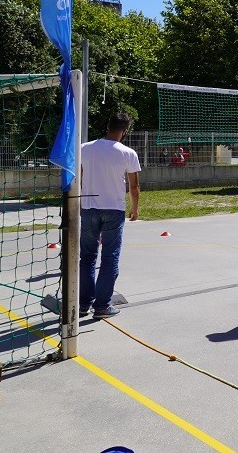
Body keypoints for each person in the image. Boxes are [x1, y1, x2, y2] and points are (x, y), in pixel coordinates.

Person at [80, 112, 141, 319]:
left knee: (87, 256)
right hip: (113, 209)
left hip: (88, 207)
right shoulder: (127, 153)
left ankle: (83, 303)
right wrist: (134, 208)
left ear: (108, 126)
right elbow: (134, 186)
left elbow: (79, 176)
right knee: (110, 257)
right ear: (124, 131)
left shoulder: (85, 148)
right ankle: (102, 305)